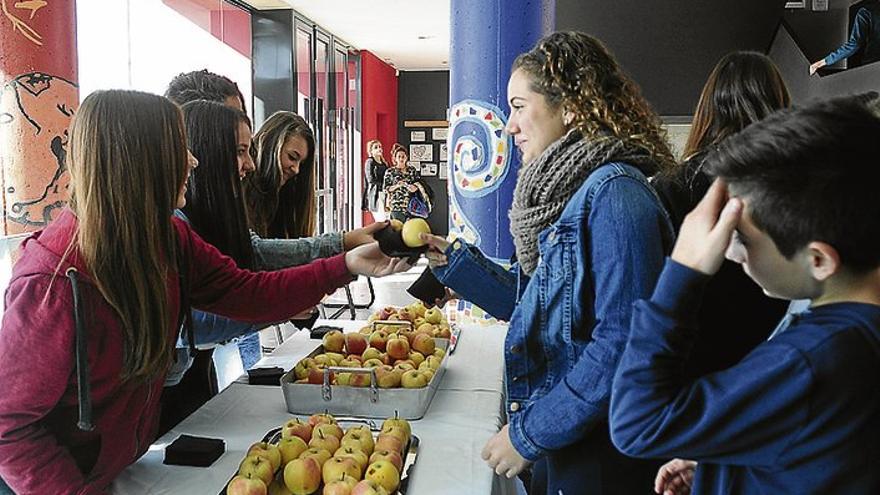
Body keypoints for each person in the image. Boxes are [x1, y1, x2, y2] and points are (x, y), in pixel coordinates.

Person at [0, 90, 409, 494]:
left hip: (118, 469)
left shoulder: (168, 236)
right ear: (139, 160)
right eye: (180, 148)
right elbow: (9, 428)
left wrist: (346, 265)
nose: (193, 161)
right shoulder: (50, 285)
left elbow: (244, 291)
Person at [423, 31, 674, 494]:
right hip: (568, 443)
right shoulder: (568, 196)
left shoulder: (617, 196)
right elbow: (534, 306)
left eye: (519, 106)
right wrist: (452, 262)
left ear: (571, 106)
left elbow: (624, 344)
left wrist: (529, 434)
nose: (509, 125)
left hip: (601, 456)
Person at [610, 96, 880, 494]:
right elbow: (821, 453)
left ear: (818, 260)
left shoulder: (810, 359)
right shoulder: (852, 343)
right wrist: (726, 465)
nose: (731, 253)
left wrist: (684, 268)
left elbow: (637, 423)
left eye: (742, 239)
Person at [652, 51, 790, 379]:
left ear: (709, 106)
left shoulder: (676, 183)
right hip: (778, 364)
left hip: (693, 366)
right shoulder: (800, 181)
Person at [810, 0, 880, 75]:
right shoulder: (866, 11)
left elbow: (854, 44)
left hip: (872, 67)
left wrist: (821, 63)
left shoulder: (867, 11)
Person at [383, 144, 431, 222]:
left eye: (403, 156)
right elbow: (386, 189)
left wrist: (415, 187)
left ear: (406, 157)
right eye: (399, 156)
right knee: (397, 228)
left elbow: (419, 183)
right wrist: (397, 186)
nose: (401, 158)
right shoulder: (390, 172)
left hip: (412, 205)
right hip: (397, 206)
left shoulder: (412, 170)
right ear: (395, 158)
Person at [362, 139, 388, 220]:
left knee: (387, 217)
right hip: (375, 193)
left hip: (385, 193)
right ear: (371, 151)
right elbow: (370, 179)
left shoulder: (384, 163)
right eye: (376, 147)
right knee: (381, 218)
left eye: (380, 147)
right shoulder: (370, 162)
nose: (379, 149)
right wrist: (384, 185)